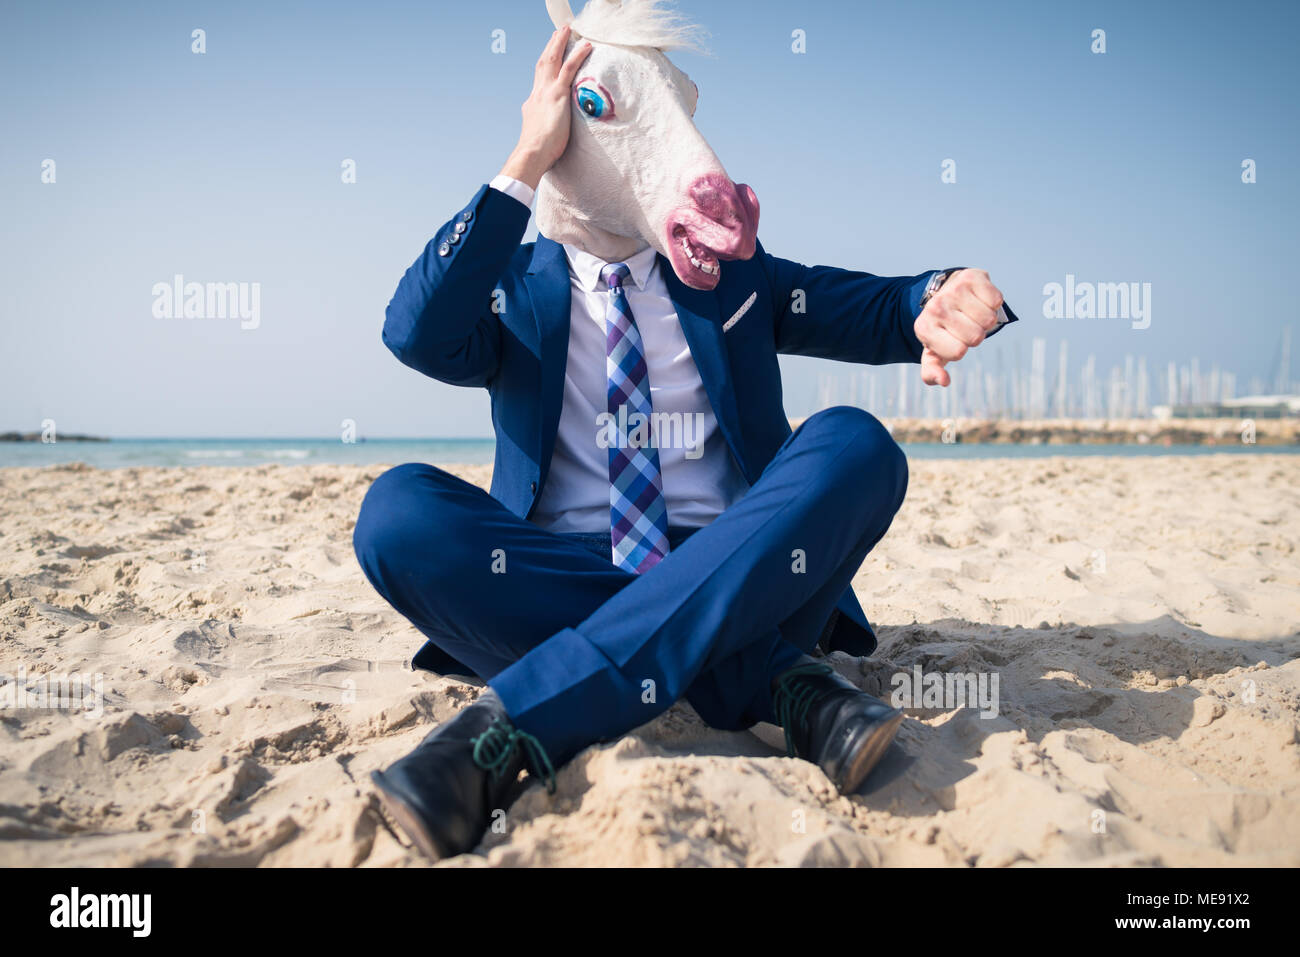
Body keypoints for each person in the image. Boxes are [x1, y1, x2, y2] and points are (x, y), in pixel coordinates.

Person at [354, 22, 1018, 861]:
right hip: (561, 574)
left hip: (746, 563)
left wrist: (939, 293)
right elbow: (415, 331)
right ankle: (772, 681)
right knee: (397, 513)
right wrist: (525, 159)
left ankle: (514, 726)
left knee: (857, 444)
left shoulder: (734, 278)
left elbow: (877, 306)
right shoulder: (512, 290)